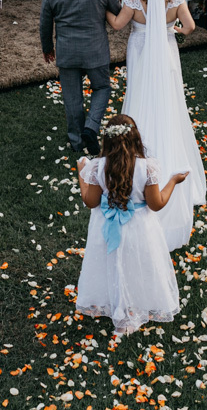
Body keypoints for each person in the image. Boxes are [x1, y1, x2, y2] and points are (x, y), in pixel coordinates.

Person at [106, 0, 206, 251]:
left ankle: (138, 144)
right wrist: (172, 31)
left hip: (140, 53)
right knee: (171, 102)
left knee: (139, 95)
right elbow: (189, 27)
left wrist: (104, 7)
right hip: (165, 52)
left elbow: (117, 26)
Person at [75, 115, 186, 337]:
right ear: (136, 138)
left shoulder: (98, 167)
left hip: (106, 228)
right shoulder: (148, 168)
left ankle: (116, 304)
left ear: (107, 139)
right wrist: (173, 181)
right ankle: (133, 304)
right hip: (140, 229)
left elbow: (91, 201)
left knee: (113, 264)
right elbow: (156, 204)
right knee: (138, 265)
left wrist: (81, 173)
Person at [40, 0, 123, 153]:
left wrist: (47, 48)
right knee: (102, 88)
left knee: (72, 97)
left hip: (67, 52)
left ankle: (77, 142)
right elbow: (117, 8)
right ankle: (91, 127)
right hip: (95, 50)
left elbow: (45, 24)